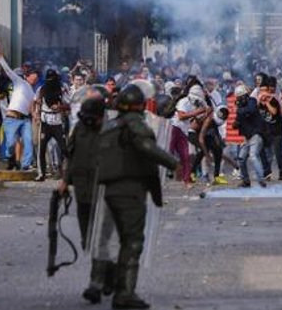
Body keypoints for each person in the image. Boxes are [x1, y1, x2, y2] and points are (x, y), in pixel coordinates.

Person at [96, 85, 179, 309]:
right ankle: (124, 294)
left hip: (108, 191)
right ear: (139, 105)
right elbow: (146, 148)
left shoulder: (109, 126)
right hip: (130, 191)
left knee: (112, 240)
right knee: (132, 243)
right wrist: (172, 162)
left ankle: (107, 281)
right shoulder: (135, 125)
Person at [59, 91, 116, 304]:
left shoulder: (113, 131)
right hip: (83, 192)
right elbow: (71, 156)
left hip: (105, 194)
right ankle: (110, 272)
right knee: (87, 241)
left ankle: (95, 284)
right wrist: (65, 180)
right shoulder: (80, 128)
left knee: (98, 240)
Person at [0, 41, 37, 171]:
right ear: (27, 76)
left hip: (25, 120)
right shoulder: (19, 82)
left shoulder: (33, 93)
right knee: (10, 144)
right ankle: (11, 158)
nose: (35, 77)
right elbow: (7, 69)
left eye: (37, 76)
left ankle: (25, 165)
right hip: (11, 118)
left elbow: (33, 106)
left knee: (28, 142)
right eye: (34, 75)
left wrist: (36, 116)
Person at [34, 69, 69, 181]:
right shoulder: (42, 89)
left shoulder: (62, 89)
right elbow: (37, 102)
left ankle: (66, 171)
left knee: (64, 148)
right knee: (42, 149)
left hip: (58, 122)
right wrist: (37, 115)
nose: (50, 81)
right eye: (48, 78)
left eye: (52, 78)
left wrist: (60, 107)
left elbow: (68, 104)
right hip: (45, 122)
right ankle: (41, 173)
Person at [234, 84, 268, 188]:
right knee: (241, 158)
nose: (238, 100)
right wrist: (236, 123)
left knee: (253, 156)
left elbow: (251, 110)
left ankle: (261, 180)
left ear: (244, 96)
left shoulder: (251, 101)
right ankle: (246, 181)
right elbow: (238, 123)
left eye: (240, 98)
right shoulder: (240, 108)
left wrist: (239, 112)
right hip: (247, 137)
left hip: (256, 135)